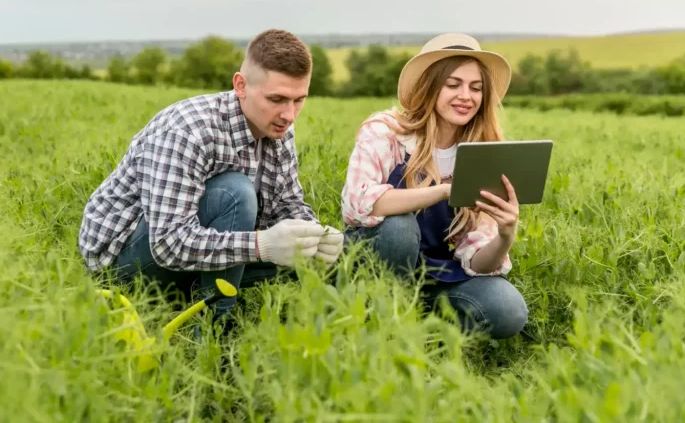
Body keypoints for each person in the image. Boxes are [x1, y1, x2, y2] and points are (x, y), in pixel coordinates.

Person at [78, 29, 344, 319]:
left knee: (296, 250)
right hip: (125, 264)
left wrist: (316, 235)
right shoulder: (187, 131)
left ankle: (204, 295)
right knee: (235, 193)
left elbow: (286, 204)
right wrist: (261, 246)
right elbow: (167, 244)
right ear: (240, 86)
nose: (289, 115)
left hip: (192, 258)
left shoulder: (278, 129)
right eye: (277, 99)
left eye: (299, 100)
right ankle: (214, 331)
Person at [341, 33, 528, 340]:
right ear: (429, 86)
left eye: (476, 88)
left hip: (438, 274)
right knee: (399, 229)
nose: (466, 96)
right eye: (453, 84)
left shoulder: (483, 151)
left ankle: (424, 325)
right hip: (376, 261)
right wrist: (443, 191)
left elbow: (478, 259)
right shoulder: (387, 132)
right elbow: (356, 203)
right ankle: (376, 319)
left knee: (508, 311)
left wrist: (505, 236)